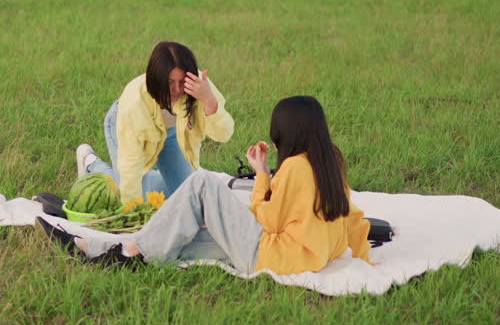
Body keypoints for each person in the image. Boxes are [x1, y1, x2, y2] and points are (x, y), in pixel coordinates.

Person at [42, 95, 372, 276]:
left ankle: (129, 250)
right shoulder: (332, 164)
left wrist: (261, 177)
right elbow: (354, 218)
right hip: (295, 258)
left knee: (203, 183)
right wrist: (364, 259)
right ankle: (96, 251)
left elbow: (267, 219)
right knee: (177, 238)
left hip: (269, 254)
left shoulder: (296, 168)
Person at [75, 41, 234, 205]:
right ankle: (91, 163)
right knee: (135, 195)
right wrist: (132, 213)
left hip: (170, 133)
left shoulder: (199, 86)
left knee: (187, 197)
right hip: (125, 126)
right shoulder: (134, 104)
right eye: (170, 82)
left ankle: (153, 178)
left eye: (181, 82)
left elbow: (224, 134)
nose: (177, 90)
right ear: (157, 78)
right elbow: (130, 164)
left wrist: (209, 101)